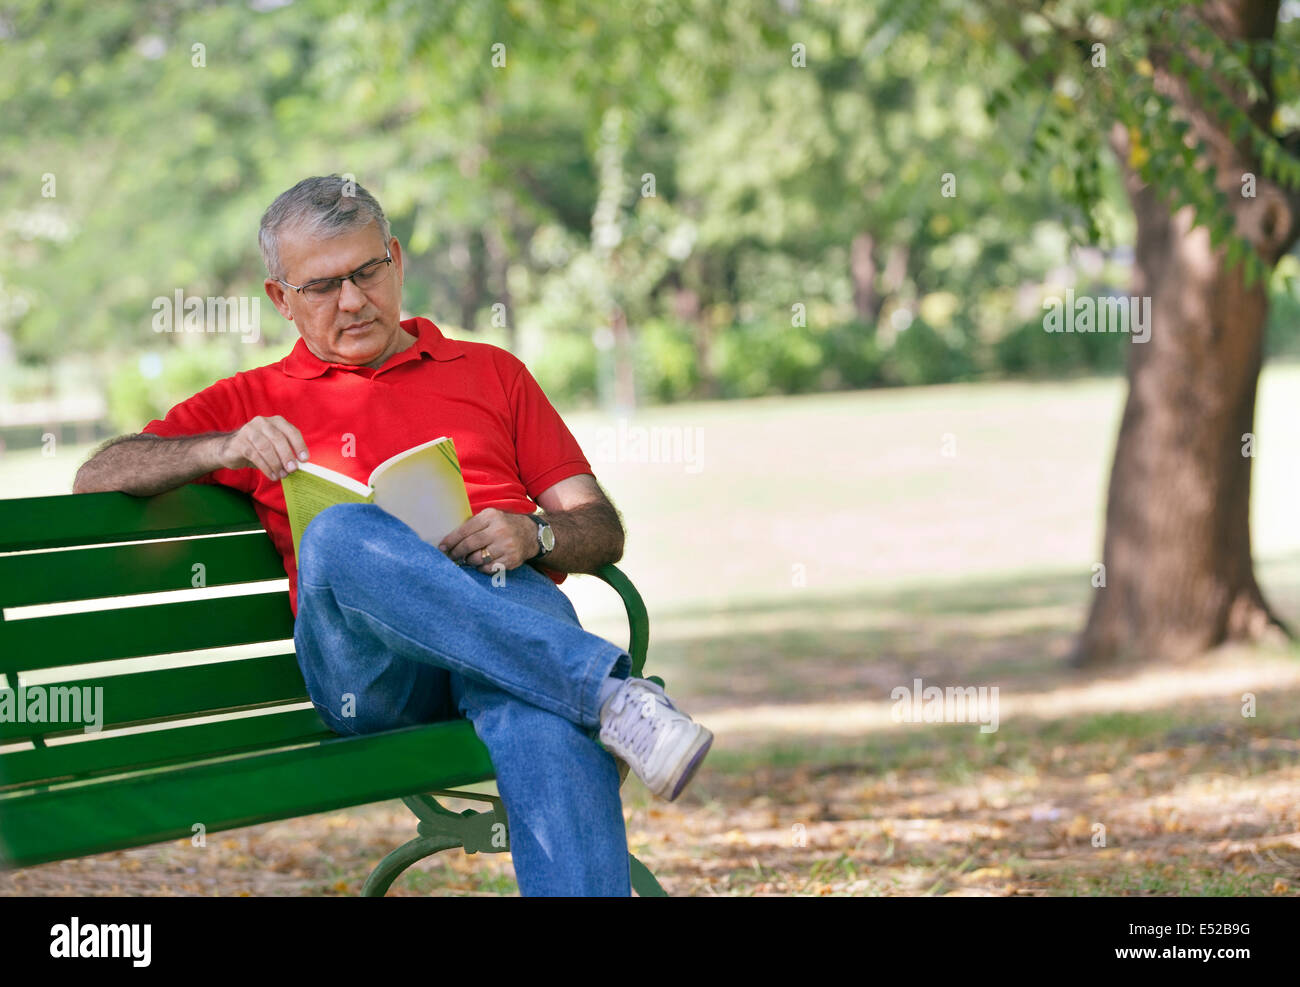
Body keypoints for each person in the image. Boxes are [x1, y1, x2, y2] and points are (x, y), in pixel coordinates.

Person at [72, 175, 713, 896]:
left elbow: (599, 526)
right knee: (340, 533)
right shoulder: (254, 403)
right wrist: (219, 449)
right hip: (373, 682)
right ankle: (607, 695)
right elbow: (98, 474)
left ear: (397, 260)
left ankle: (583, 694)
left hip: (512, 655)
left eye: (366, 271)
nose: (352, 300)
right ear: (280, 299)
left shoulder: (493, 374)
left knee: (540, 708)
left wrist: (535, 534)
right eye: (321, 286)